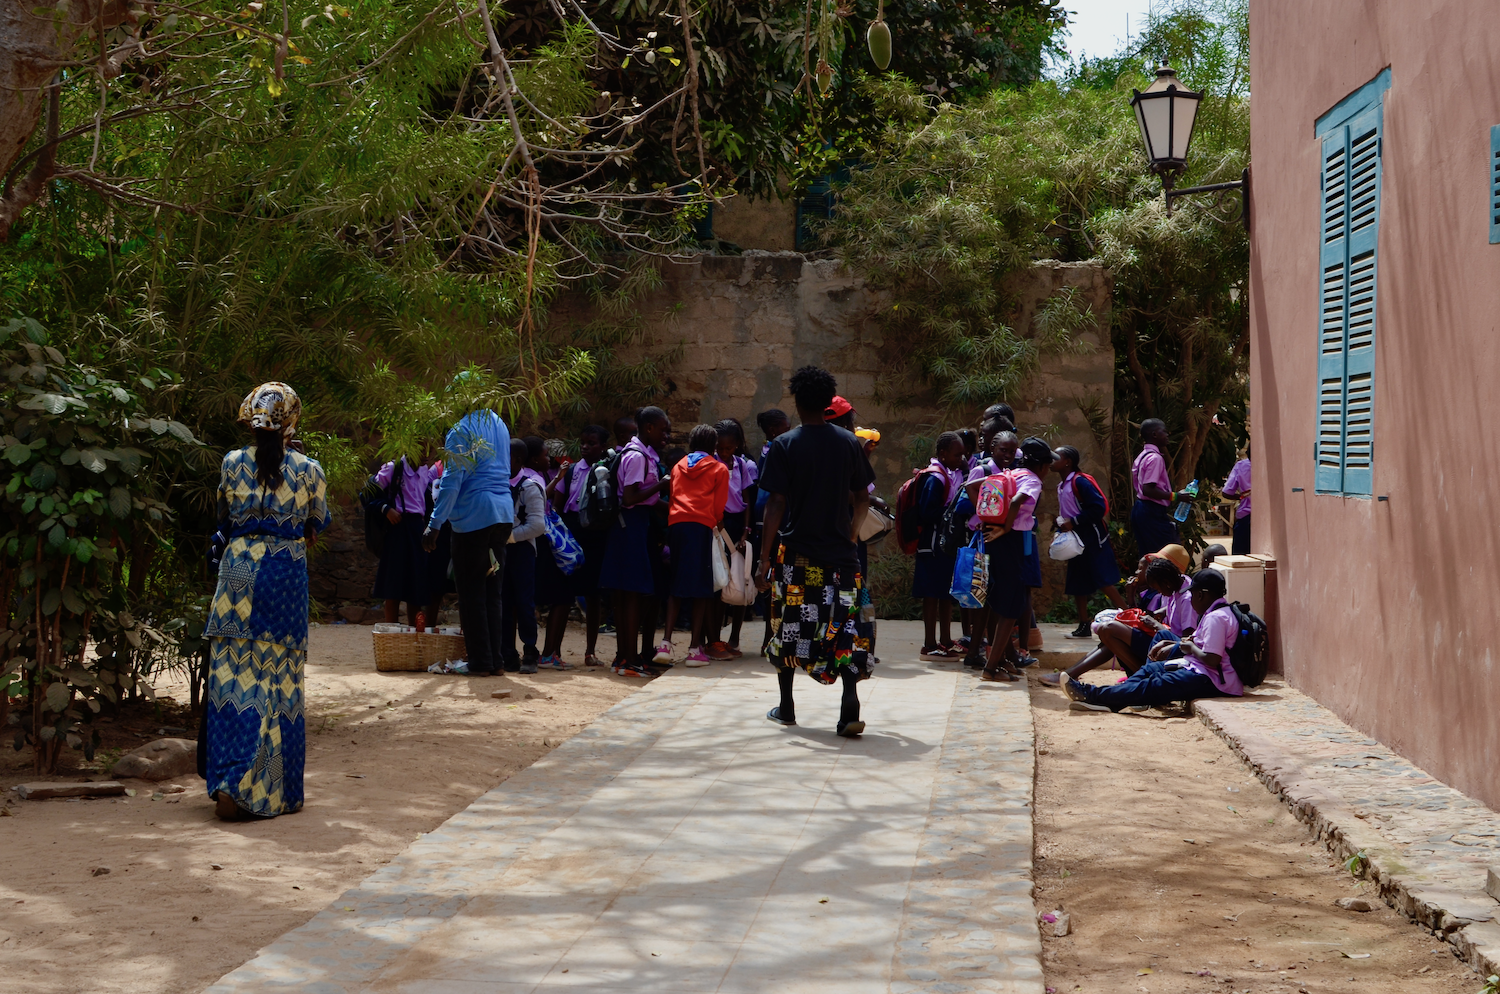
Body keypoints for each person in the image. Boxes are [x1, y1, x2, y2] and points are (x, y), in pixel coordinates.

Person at [202, 383, 330, 821]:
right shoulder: (310, 469)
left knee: (233, 679)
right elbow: (316, 525)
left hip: (236, 575)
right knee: (278, 682)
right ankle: (267, 788)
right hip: (284, 576)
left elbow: (223, 521)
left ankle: (229, 780)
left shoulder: (231, 463)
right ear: (293, 420)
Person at [757, 366, 876, 737]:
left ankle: (787, 707)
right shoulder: (848, 443)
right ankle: (849, 705)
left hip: (796, 558)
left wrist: (763, 560)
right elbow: (863, 498)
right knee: (847, 626)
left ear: (796, 400)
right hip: (841, 557)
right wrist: (853, 535)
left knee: (789, 627)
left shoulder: (784, 445)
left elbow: (775, 503)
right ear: (828, 403)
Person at [1065, 569, 1243, 712]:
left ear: (1201, 595)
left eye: (1194, 594)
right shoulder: (1216, 612)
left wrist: (1188, 647)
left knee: (1155, 685)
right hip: (1197, 667)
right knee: (1149, 670)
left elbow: (1212, 659)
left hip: (1212, 679)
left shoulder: (1217, 618)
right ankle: (1116, 698)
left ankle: (1092, 695)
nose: (1192, 600)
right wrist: (1178, 644)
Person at [423, 401, 515, 677]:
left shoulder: (461, 430)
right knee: (492, 593)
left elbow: (451, 481)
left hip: (474, 518)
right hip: (502, 514)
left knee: (472, 593)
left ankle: (480, 662)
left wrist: (434, 524)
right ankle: (496, 661)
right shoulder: (499, 423)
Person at [1039, 555, 1192, 686]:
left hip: (1168, 646)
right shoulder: (1176, 586)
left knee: (1110, 629)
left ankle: (1145, 677)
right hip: (1159, 638)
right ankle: (1070, 673)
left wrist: (1157, 625)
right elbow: (1170, 608)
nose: (1160, 592)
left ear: (1166, 582)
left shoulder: (1186, 598)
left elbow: (1184, 641)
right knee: (1110, 636)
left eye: (1159, 588)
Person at [599, 406, 671, 677]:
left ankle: (624, 658)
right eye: (663, 430)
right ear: (649, 428)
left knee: (626, 596)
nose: (666, 435)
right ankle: (629, 662)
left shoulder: (637, 453)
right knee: (630, 596)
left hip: (632, 528)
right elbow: (629, 498)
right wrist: (662, 484)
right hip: (629, 529)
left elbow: (648, 499)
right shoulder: (637, 456)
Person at [656, 425, 730, 666]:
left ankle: (665, 644)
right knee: (702, 588)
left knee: (676, 583)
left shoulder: (678, 466)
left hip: (676, 525)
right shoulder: (719, 469)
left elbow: (673, 496)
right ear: (714, 446)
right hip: (701, 527)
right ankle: (693, 650)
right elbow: (719, 507)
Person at [980, 436, 1051, 683]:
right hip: (1011, 540)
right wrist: (1006, 528)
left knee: (997, 600)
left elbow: (973, 485)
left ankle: (1002, 659)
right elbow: (1015, 500)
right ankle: (990, 669)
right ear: (1042, 466)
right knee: (1011, 605)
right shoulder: (1032, 480)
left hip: (994, 539)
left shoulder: (1013, 473)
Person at [542, 425, 610, 667]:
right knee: (564, 593)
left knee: (593, 595)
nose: (585, 447)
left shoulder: (607, 470)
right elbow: (558, 504)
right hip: (572, 531)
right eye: (583, 442)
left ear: (602, 446)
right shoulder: (570, 471)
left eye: (591, 443)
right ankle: (555, 651)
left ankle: (590, 651)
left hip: (595, 533)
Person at [1052, 445, 1126, 638]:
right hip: (1076, 539)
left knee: (1103, 580)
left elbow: (1098, 508)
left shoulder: (1080, 482)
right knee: (1078, 582)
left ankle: (1129, 616)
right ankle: (1084, 624)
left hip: (1092, 537)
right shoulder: (1063, 485)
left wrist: (1074, 521)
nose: (1052, 460)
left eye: (1056, 457)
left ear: (1067, 461)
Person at [704, 418, 757, 658]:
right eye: (720, 449)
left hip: (736, 525)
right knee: (719, 581)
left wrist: (746, 530)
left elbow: (747, 500)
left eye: (729, 448)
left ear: (736, 445)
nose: (724, 452)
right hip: (717, 524)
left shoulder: (742, 465)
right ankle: (713, 638)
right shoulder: (711, 464)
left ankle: (734, 636)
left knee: (740, 579)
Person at [367, 454, 439, 627]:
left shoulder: (424, 472)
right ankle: (391, 635)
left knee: (415, 589)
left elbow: (428, 501)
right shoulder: (393, 469)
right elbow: (368, 495)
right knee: (393, 588)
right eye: (422, 448)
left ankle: (413, 638)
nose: (427, 455)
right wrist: (386, 509)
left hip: (416, 531)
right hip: (397, 528)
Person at [914, 432, 967, 660]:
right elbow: (926, 512)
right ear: (943, 454)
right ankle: (929, 644)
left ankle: (945, 640)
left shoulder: (950, 475)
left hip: (945, 546)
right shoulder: (935, 478)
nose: (961, 458)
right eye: (957, 454)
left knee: (946, 593)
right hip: (933, 545)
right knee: (931, 594)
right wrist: (952, 513)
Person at [501, 436, 549, 673]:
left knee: (523, 602)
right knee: (503, 602)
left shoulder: (530, 486)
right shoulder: (497, 484)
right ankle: (506, 653)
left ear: (518, 460)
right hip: (500, 550)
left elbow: (538, 526)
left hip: (521, 550)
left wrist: (509, 536)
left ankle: (530, 649)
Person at [753, 408, 792, 655]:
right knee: (775, 582)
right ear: (773, 430)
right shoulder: (773, 453)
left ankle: (774, 634)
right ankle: (771, 634)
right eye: (786, 427)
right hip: (777, 524)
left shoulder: (774, 451)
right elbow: (770, 499)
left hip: (779, 522)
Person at [1131, 419, 1194, 556]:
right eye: (1164, 431)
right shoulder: (1155, 458)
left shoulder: (1142, 456)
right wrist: (1176, 496)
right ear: (1154, 434)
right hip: (1151, 512)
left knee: (1147, 555)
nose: (1167, 435)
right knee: (1161, 556)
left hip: (1140, 509)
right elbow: (1148, 490)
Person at [1222, 444, 1252, 555]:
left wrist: (1241, 497)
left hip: (1246, 517)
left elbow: (1226, 492)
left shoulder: (1241, 466)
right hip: (1267, 518)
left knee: (1240, 558)